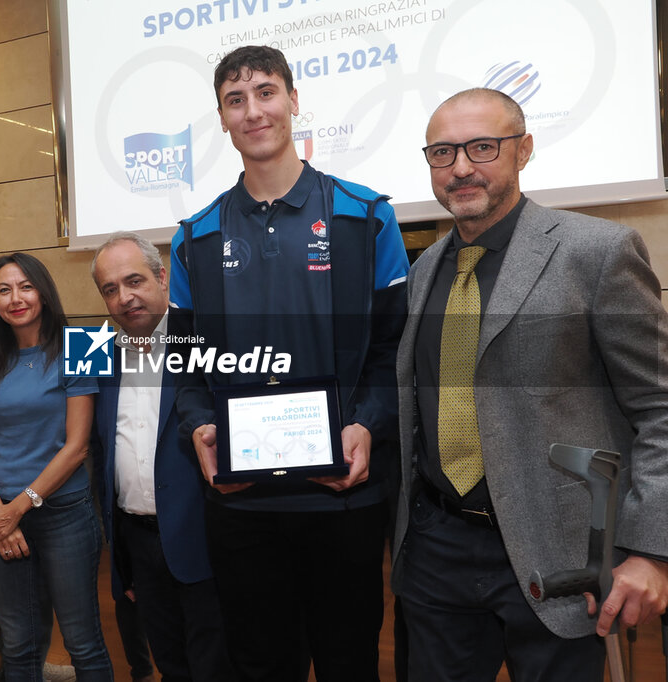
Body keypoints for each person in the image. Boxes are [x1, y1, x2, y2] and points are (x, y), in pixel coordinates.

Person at [392, 87, 668, 681]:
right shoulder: (422, 272)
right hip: (438, 551)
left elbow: (658, 409)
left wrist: (650, 551)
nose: (461, 167)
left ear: (525, 150)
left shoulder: (596, 252)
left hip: (560, 552)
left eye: (482, 147)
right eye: (442, 153)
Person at [168, 45, 409, 681]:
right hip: (243, 502)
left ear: (294, 101)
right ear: (221, 118)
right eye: (235, 100)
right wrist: (198, 425)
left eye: (267, 92)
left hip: (344, 497)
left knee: (348, 661)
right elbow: (186, 365)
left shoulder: (367, 217)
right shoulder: (194, 237)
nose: (254, 111)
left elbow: (396, 352)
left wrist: (367, 426)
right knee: (259, 664)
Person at [90, 232, 234, 681]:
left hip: (206, 539)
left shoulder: (209, 339)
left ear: (162, 277)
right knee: (171, 666)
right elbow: (92, 446)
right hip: (138, 542)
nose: (124, 297)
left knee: (217, 665)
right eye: (110, 289)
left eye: (134, 281)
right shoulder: (94, 353)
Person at [0, 252, 113, 681]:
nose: (16, 299)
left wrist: (18, 508)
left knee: (83, 641)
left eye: (25, 287)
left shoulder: (84, 344)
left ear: (44, 293)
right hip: (4, 520)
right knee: (18, 644)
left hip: (63, 515)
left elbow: (77, 447)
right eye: (4, 290)